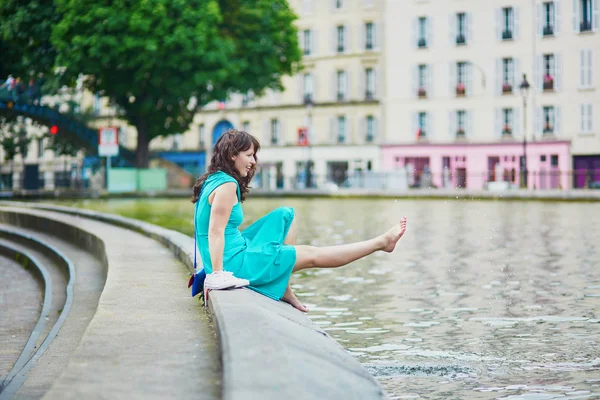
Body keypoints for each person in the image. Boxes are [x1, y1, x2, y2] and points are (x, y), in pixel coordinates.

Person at [192, 129, 407, 312]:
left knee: (286, 214)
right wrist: (217, 275)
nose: (253, 162)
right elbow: (214, 232)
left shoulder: (214, 179)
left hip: (236, 249)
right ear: (232, 155)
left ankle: (283, 282)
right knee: (312, 255)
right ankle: (381, 243)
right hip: (235, 263)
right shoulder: (228, 185)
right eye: (249, 155)